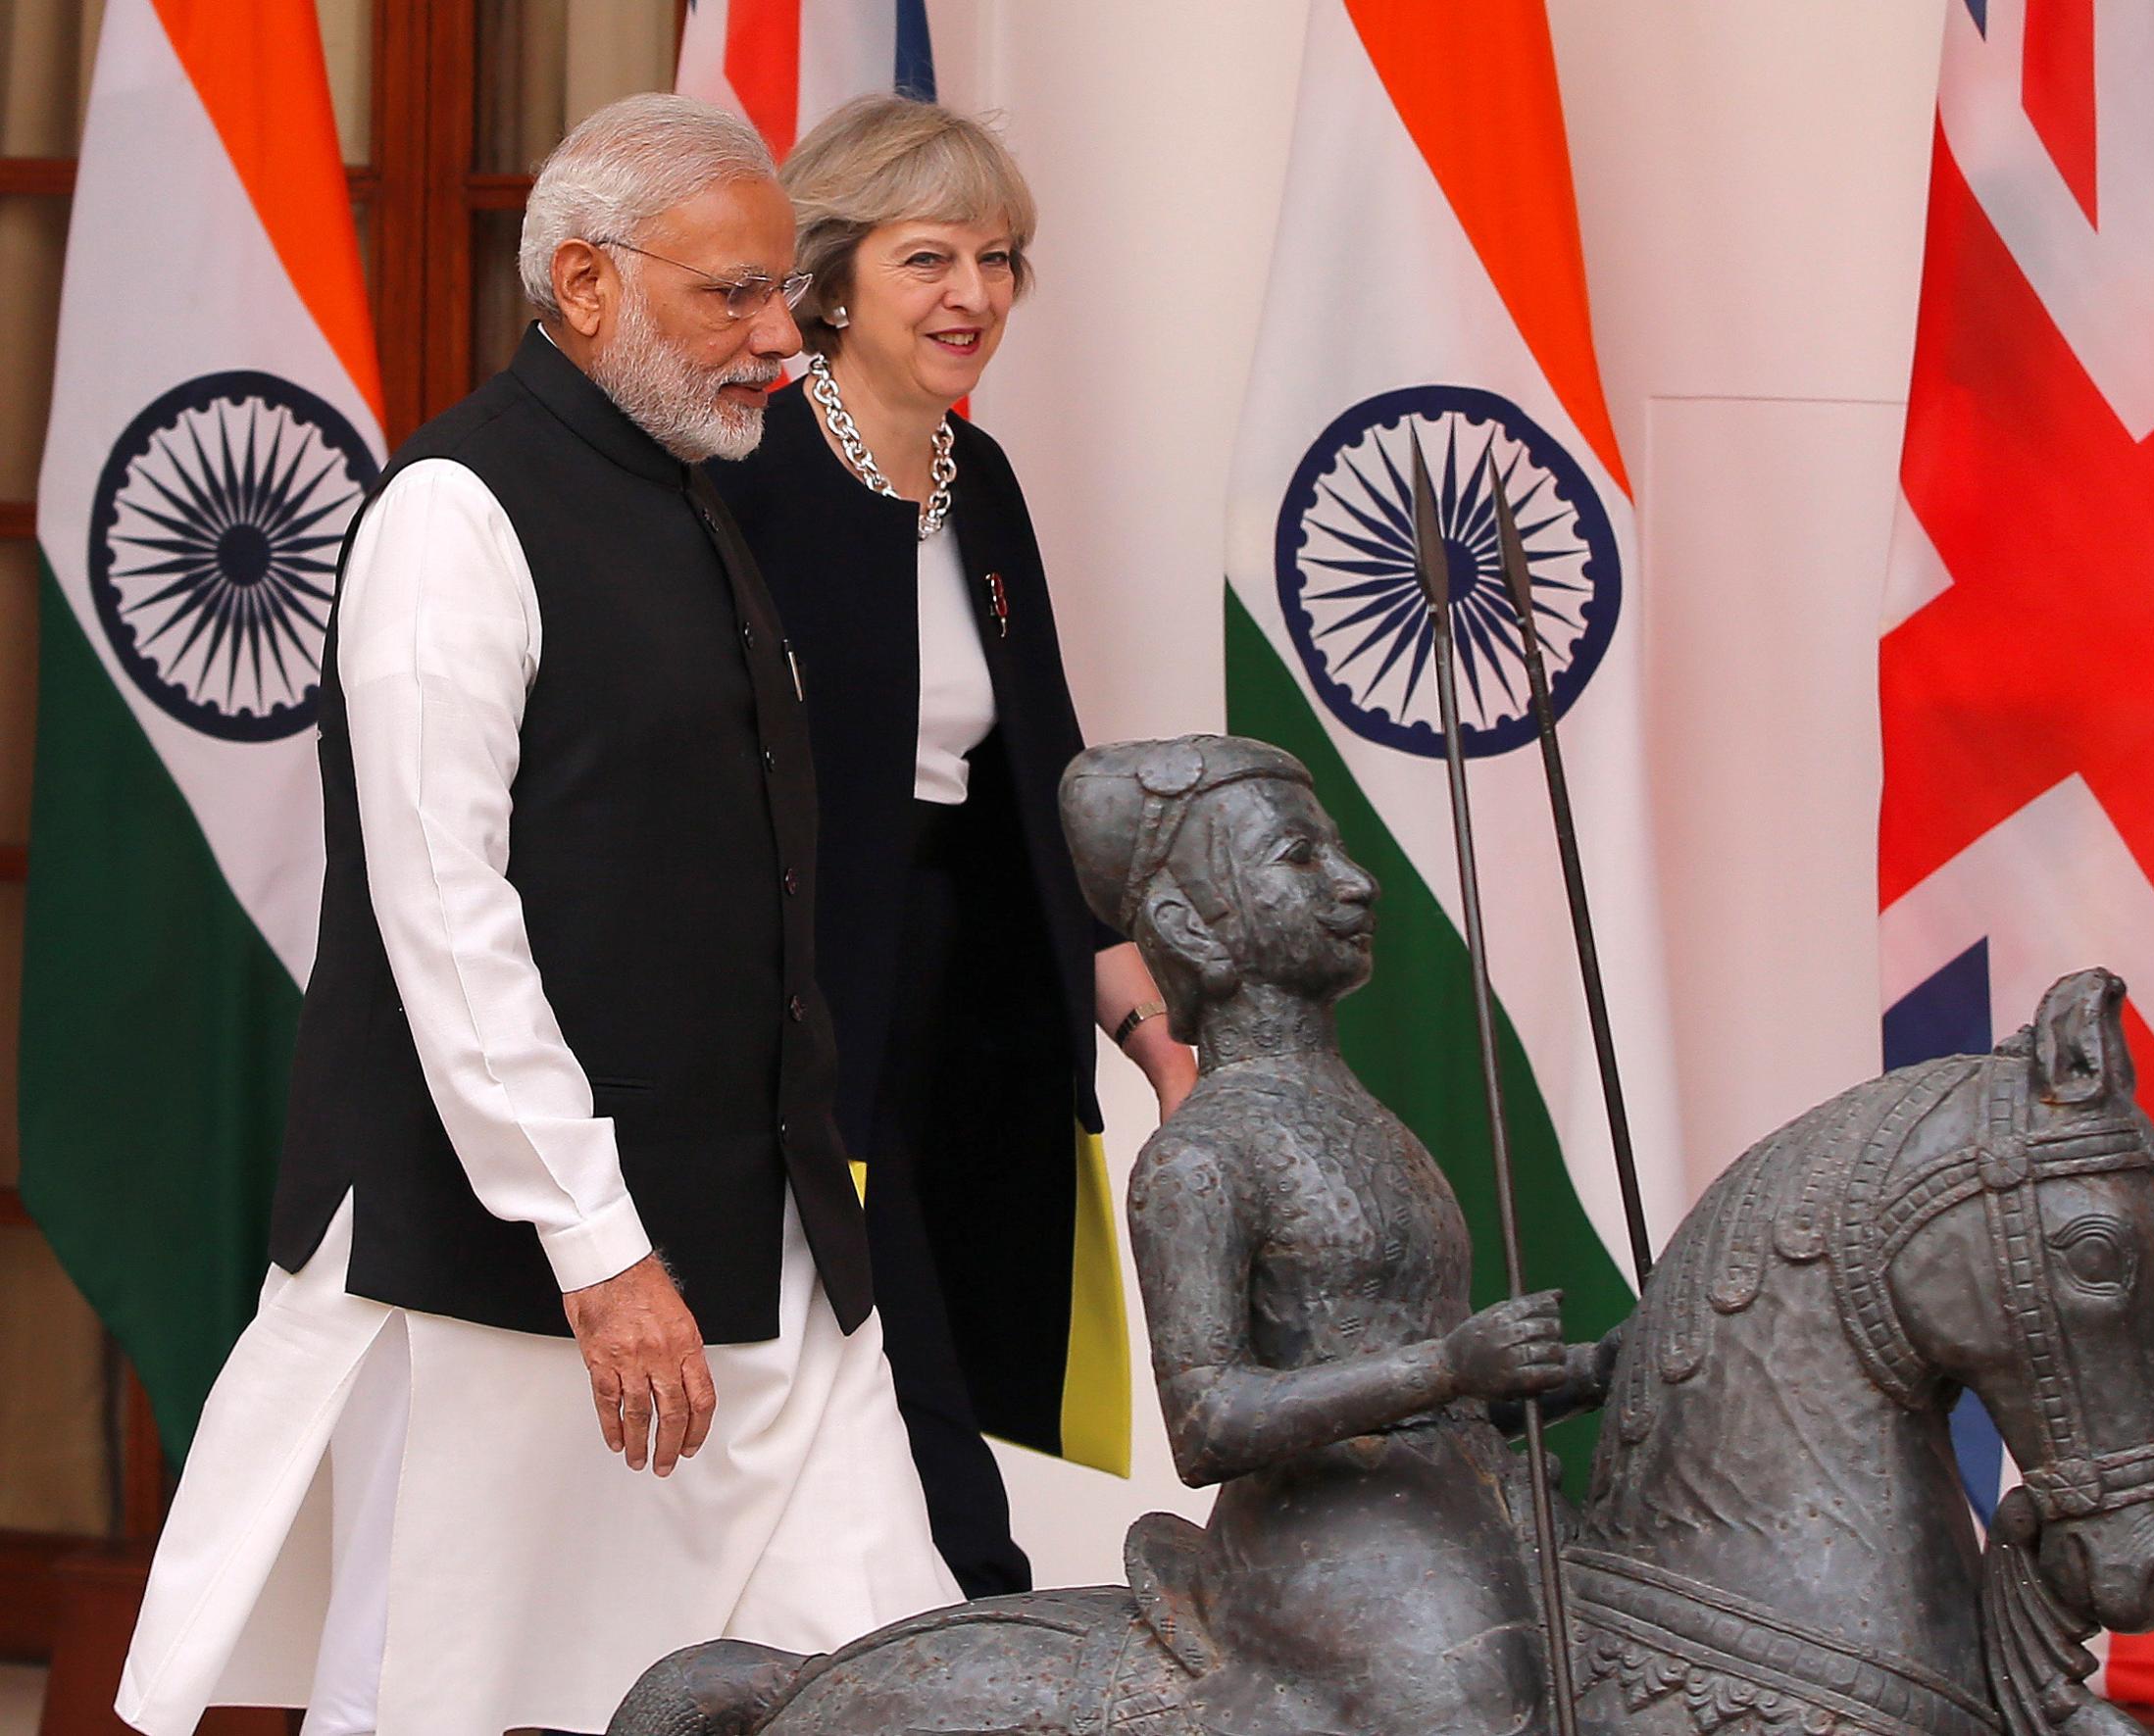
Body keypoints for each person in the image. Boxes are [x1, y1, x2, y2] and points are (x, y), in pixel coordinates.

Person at [115, 94, 959, 1736]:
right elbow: (445, 914)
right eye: (733, 295)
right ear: (584, 284)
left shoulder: (690, 494)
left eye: (787, 294)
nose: (782, 338)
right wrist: (599, 1246)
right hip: (516, 1267)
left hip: (766, 1242)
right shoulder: (453, 514)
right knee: (447, 1699)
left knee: (895, 1673)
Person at [707, 94, 1197, 1599]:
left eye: (999, 260)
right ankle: (972, 1633)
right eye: (930, 259)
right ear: (832, 278)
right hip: (792, 1017)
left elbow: (1046, 766)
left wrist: (1149, 1026)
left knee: (938, 1383)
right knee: (914, 1437)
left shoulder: (974, 481)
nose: (974, 294)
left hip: (961, 1005)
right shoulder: (749, 467)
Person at [1061, 736, 1619, 1736]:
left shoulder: (1365, 1119)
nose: (1358, 884)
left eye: (1338, 852)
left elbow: (1428, 1384)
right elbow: (1207, 1420)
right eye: (1300, 858)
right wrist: (1447, 1367)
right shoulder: (1205, 1153)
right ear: (1191, 926)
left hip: (1464, 1515)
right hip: (1330, 1553)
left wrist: (1585, 1366)